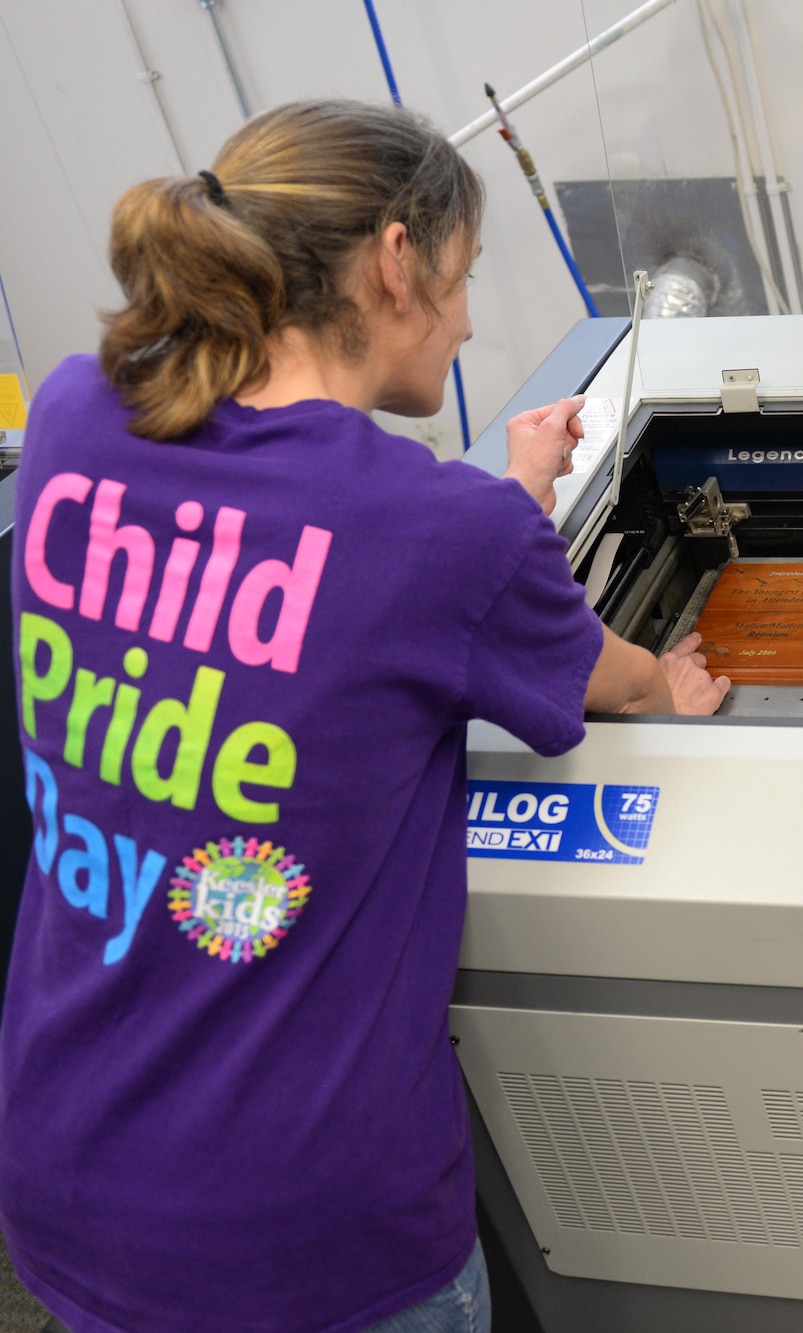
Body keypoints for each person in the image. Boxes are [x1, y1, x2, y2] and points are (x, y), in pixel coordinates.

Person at [0, 99, 727, 1332]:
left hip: (66, 1179)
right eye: (465, 274)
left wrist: (511, 499)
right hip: (310, 1244)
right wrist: (677, 686)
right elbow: (617, 680)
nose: (470, 314)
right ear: (397, 259)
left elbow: (305, 588)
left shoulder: (72, 418)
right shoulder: (441, 534)